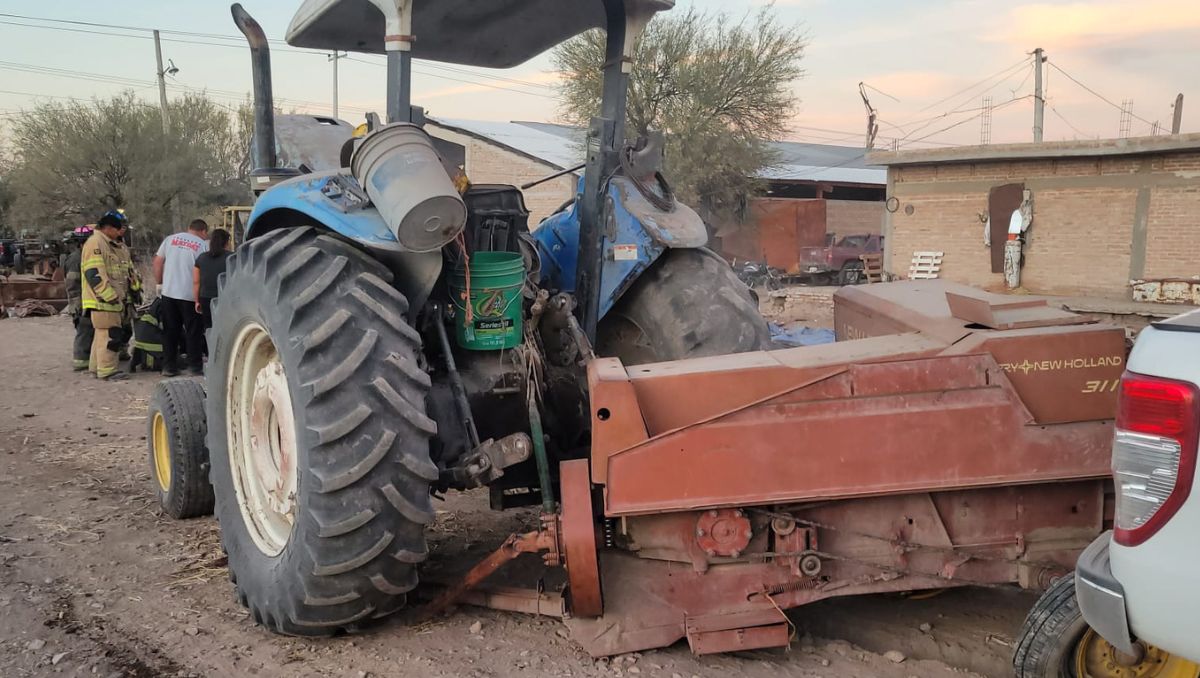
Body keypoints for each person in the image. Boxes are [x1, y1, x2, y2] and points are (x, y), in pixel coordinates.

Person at [80, 212, 141, 381]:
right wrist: (109, 296)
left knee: (102, 335)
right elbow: (93, 273)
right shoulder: (96, 243)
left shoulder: (114, 245)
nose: (120, 232)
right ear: (107, 228)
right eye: (118, 229)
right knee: (110, 335)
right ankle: (107, 371)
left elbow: (126, 272)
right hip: (104, 301)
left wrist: (134, 290)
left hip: (113, 300)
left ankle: (96, 368)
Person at [154, 219, 208, 376]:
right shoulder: (203, 245)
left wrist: (160, 282)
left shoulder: (170, 239)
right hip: (190, 295)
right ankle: (195, 366)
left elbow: (157, 262)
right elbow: (204, 269)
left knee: (170, 331)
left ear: (189, 228)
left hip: (169, 293)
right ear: (203, 231)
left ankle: (169, 366)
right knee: (193, 332)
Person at [64, 226, 93, 371]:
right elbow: (72, 284)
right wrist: (77, 304)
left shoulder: (86, 255)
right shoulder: (76, 258)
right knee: (84, 329)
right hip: (80, 302)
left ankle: (89, 358)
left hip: (87, 299)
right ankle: (81, 360)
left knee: (90, 330)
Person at [193, 228, 230, 335]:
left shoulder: (201, 258)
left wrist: (197, 301)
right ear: (226, 242)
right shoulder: (232, 257)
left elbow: (196, 282)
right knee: (225, 329)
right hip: (224, 298)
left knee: (209, 329)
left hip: (205, 298)